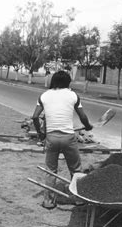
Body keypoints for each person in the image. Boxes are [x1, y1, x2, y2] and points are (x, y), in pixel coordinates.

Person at [32, 70, 93, 209]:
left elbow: (35, 116)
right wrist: (88, 127)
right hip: (68, 138)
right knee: (76, 169)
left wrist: (40, 134)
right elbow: (82, 117)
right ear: (68, 82)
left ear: (53, 81)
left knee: (51, 170)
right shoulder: (73, 95)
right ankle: (78, 199)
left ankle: (48, 201)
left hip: (51, 137)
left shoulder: (44, 96)